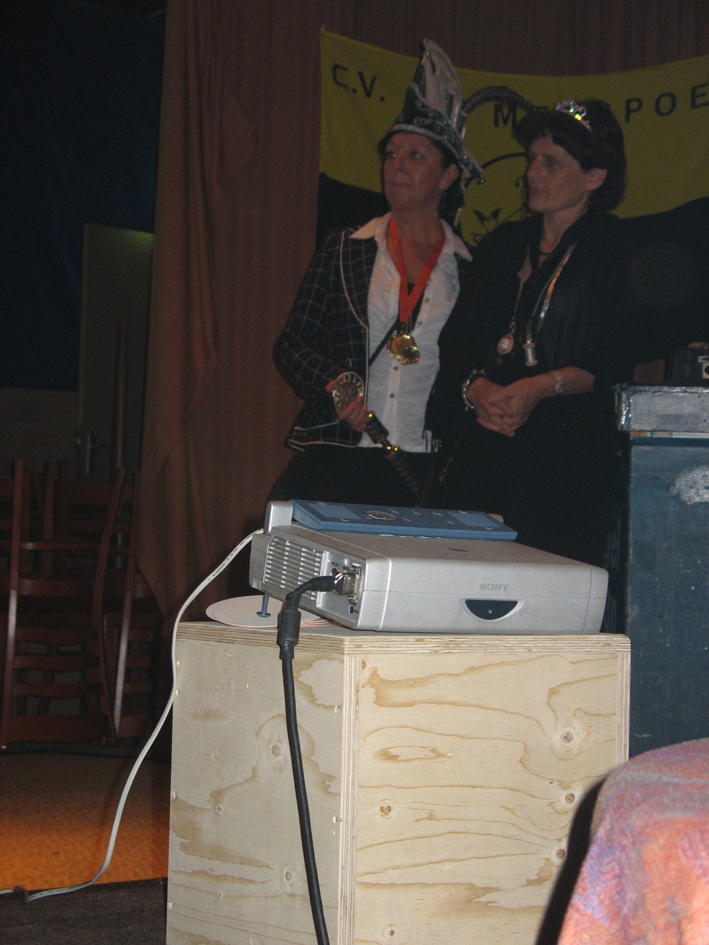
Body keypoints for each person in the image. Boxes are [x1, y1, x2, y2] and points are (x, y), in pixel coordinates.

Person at [427, 98, 639, 566]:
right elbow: (457, 340)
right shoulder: (503, 244)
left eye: (551, 163)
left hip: (567, 464)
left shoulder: (614, 249)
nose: (532, 173)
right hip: (485, 448)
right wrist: (477, 388)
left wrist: (542, 386)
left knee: (546, 589)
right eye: (532, 160)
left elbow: (615, 357)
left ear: (594, 177)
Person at [269, 41, 479, 507]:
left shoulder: (469, 270)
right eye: (391, 154)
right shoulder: (346, 248)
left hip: (425, 464)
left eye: (415, 156)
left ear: (448, 177)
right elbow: (291, 344)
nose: (397, 165)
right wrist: (334, 382)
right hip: (343, 457)